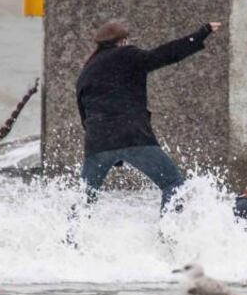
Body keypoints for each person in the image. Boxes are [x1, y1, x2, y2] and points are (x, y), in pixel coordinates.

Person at [76, 19, 221, 212]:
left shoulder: (87, 69)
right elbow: (165, 54)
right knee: (173, 185)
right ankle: (168, 237)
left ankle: (71, 239)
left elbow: (83, 111)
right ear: (123, 40)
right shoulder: (127, 55)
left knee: (85, 197)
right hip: (133, 136)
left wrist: (101, 140)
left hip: (97, 142)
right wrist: (202, 32)